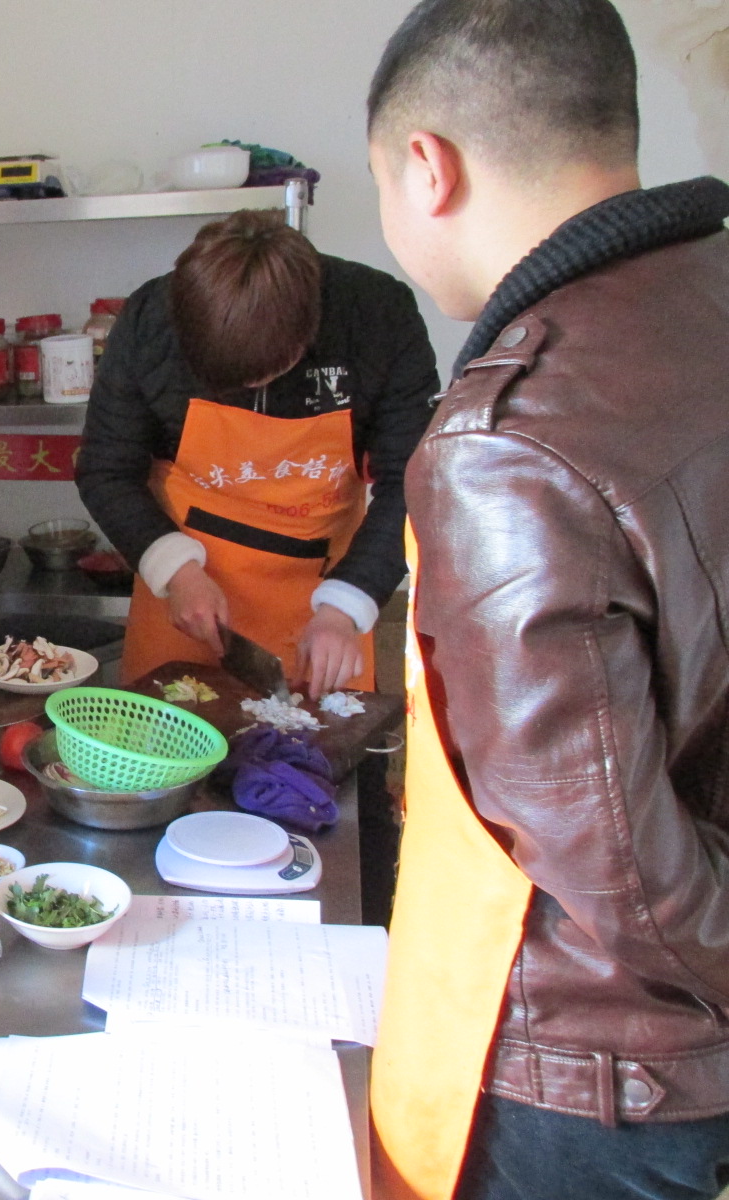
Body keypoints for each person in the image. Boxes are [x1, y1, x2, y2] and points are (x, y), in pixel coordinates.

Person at [364, 2, 729, 1197]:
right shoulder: (704, 296)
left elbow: (612, 864)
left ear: (427, 166)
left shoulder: (509, 439)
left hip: (592, 1075)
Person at [75, 208, 438, 924]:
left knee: (317, 826)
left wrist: (348, 607)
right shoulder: (153, 319)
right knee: (169, 831)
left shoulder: (377, 318)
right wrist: (177, 570)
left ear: (305, 333)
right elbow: (106, 469)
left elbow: (413, 482)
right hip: (185, 599)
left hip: (322, 601)